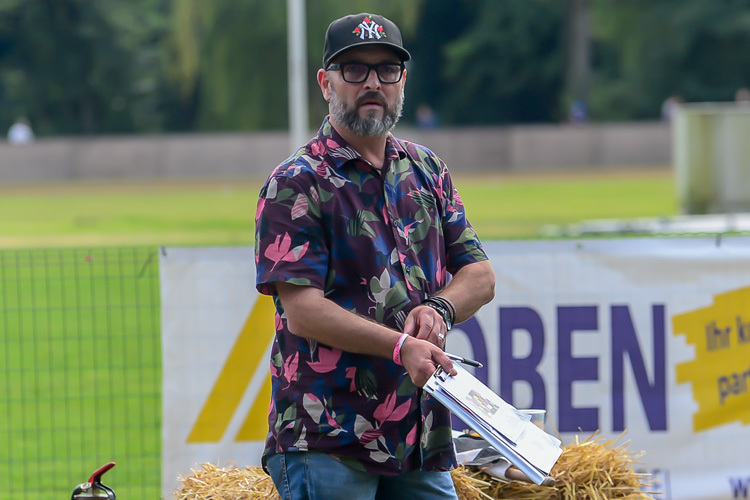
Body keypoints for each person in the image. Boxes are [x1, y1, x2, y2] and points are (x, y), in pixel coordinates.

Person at [254, 12, 495, 500]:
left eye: (386, 70)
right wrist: (400, 347)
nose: (372, 83)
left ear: (402, 81)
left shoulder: (427, 170)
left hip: (418, 436)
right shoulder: (296, 182)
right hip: (328, 437)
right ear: (326, 83)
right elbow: (302, 311)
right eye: (354, 70)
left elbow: (480, 274)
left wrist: (440, 308)